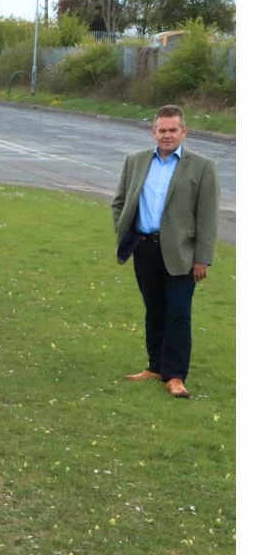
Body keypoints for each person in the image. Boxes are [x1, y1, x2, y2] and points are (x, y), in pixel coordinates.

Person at [111, 104, 219, 399]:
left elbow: (207, 216)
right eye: (162, 130)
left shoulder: (202, 167)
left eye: (173, 130)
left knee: (179, 314)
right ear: (153, 132)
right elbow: (119, 201)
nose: (167, 135)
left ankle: (175, 376)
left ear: (184, 132)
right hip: (144, 248)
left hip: (182, 255)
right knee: (154, 311)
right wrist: (123, 231)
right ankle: (156, 366)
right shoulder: (135, 161)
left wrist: (202, 258)